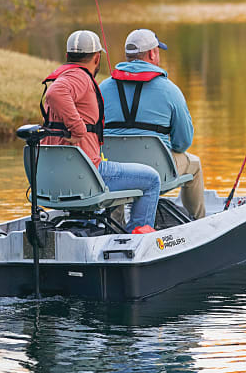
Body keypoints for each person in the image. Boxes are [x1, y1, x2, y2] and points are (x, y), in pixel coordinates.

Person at [41, 29, 161, 232]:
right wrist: (78, 129)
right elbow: (55, 93)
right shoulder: (79, 77)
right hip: (88, 173)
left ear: (68, 56)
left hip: (57, 178)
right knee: (151, 179)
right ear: (97, 58)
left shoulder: (68, 76)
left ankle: (105, 229)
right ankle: (138, 237)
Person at [99, 28, 206, 220]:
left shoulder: (102, 88)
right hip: (158, 172)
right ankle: (198, 222)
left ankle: (115, 224)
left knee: (113, 166)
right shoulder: (170, 90)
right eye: (158, 51)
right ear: (152, 53)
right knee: (195, 165)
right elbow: (183, 143)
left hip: (114, 173)